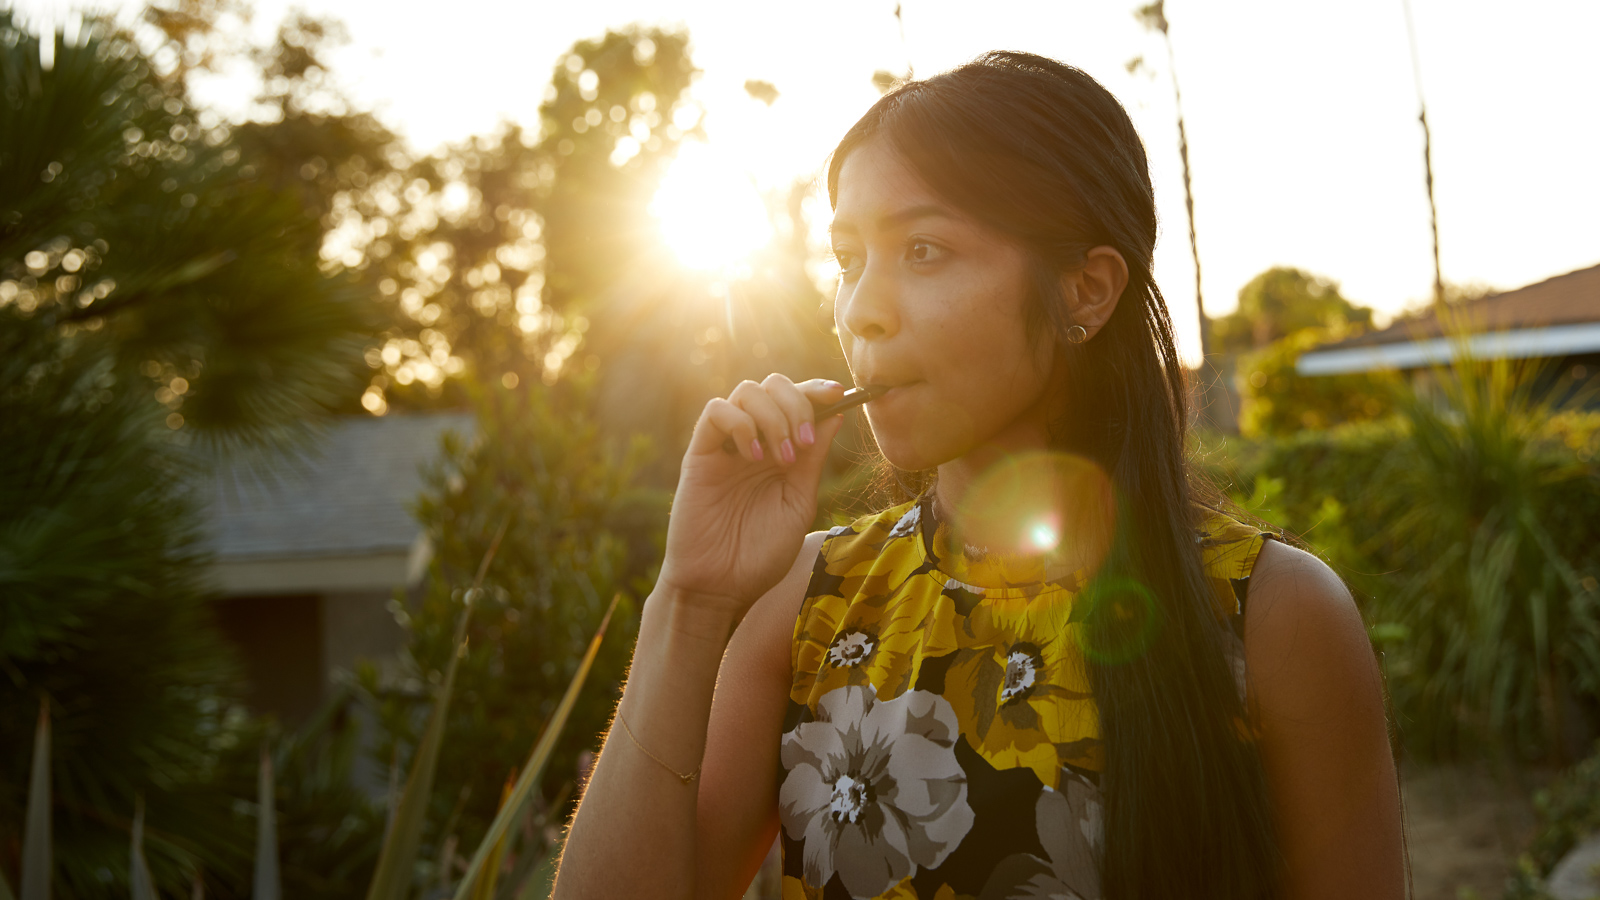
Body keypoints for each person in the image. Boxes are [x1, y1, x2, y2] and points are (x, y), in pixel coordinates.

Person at [554, 52, 1404, 900]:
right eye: (848, 258)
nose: (860, 311)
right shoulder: (809, 603)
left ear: (1085, 291)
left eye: (923, 249)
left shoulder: (1273, 617)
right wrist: (691, 600)